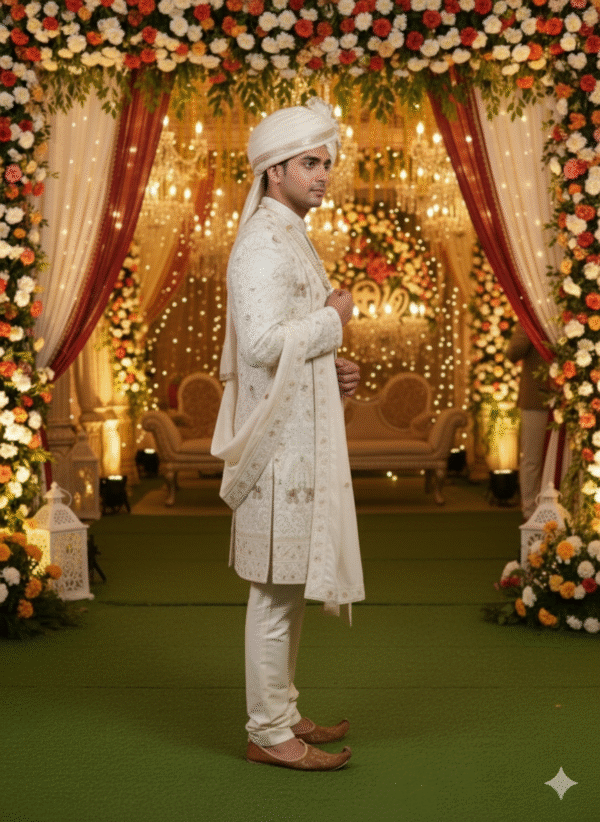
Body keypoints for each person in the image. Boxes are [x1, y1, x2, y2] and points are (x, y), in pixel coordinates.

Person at [211, 99, 365, 772]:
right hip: (276, 452)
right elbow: (267, 343)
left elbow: (292, 345)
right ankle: (268, 731)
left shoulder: (291, 235)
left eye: (327, 162)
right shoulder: (261, 245)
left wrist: (334, 367)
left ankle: (282, 709)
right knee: (274, 591)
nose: (324, 174)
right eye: (311, 162)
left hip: (299, 442)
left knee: (289, 585)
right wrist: (332, 324)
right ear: (274, 171)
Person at [506, 321, 547, 520]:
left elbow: (513, 352)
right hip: (536, 399)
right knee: (533, 458)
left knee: (536, 459)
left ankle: (539, 511)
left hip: (555, 398)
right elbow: (515, 352)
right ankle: (531, 513)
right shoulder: (530, 316)